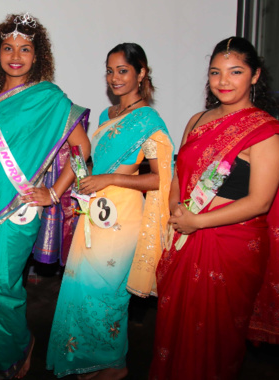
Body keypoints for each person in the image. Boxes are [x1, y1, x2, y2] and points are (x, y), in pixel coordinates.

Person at [149, 37, 279, 380]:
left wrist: (198, 221)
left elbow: (260, 201)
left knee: (216, 338)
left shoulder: (265, 133)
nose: (223, 81)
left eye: (235, 72)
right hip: (185, 236)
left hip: (231, 246)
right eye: (215, 72)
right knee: (174, 330)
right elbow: (179, 175)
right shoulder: (197, 120)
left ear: (255, 75)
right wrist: (177, 210)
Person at [0, 13, 90, 380]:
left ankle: (17, 346)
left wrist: (54, 193)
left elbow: (82, 151)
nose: (15, 56)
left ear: (37, 55)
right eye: (8, 48)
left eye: (25, 49)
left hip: (19, 210)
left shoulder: (50, 98)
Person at [46, 43, 173, 380]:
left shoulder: (149, 120)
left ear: (141, 73)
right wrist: (85, 183)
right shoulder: (107, 115)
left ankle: (115, 365)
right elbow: (96, 166)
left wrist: (111, 178)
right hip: (96, 210)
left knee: (107, 293)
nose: (115, 78)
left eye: (123, 70)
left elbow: (160, 177)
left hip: (124, 216)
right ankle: (91, 360)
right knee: (82, 289)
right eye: (110, 71)